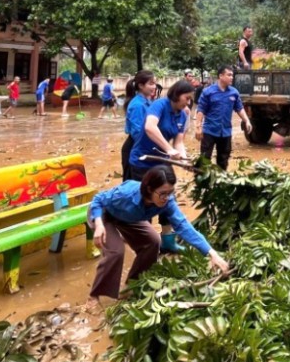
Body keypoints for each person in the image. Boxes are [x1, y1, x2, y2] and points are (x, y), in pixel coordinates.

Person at [87, 165, 229, 306]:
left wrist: (212, 253)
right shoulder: (126, 194)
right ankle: (94, 296)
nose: (166, 198)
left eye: (170, 192)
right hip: (103, 215)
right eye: (163, 193)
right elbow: (98, 199)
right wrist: (99, 224)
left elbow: (184, 226)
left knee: (154, 241)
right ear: (149, 189)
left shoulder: (168, 202)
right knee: (116, 252)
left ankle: (132, 285)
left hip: (129, 218)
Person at [129, 80, 194, 253]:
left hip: (163, 163)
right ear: (176, 94)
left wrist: (185, 160)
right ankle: (145, 244)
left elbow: (179, 143)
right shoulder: (159, 105)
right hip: (142, 162)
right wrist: (169, 149)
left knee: (166, 197)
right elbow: (150, 127)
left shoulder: (182, 115)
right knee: (145, 201)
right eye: (186, 98)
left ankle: (167, 240)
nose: (188, 102)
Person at [195, 66, 253, 170]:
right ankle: (202, 182)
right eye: (229, 75)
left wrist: (247, 120)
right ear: (221, 76)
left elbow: (239, 108)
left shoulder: (234, 92)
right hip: (209, 131)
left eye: (232, 75)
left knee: (223, 159)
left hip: (226, 131)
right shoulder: (208, 92)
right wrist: (198, 127)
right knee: (204, 159)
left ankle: (220, 181)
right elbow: (201, 110)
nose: (232, 77)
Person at [122, 71, 157, 183]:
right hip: (135, 148)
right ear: (141, 86)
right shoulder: (137, 105)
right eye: (151, 84)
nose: (154, 86)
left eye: (155, 83)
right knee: (134, 186)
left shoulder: (148, 101)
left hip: (143, 146)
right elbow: (137, 133)